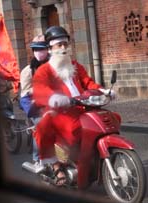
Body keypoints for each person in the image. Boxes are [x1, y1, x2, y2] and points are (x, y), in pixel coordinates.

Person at [32, 26, 115, 187]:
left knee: (109, 119)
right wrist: (54, 97)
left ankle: (94, 158)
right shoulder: (44, 70)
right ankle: (57, 167)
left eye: (65, 44)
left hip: (82, 106)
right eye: (59, 45)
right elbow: (40, 89)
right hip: (59, 111)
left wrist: (103, 91)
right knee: (45, 128)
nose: (63, 48)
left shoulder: (75, 65)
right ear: (50, 48)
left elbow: (88, 82)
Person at [20, 34, 49, 167]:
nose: (39, 52)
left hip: (54, 102)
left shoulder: (54, 65)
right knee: (41, 126)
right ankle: (37, 158)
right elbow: (25, 95)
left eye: (42, 49)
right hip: (35, 105)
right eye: (36, 50)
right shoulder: (28, 71)